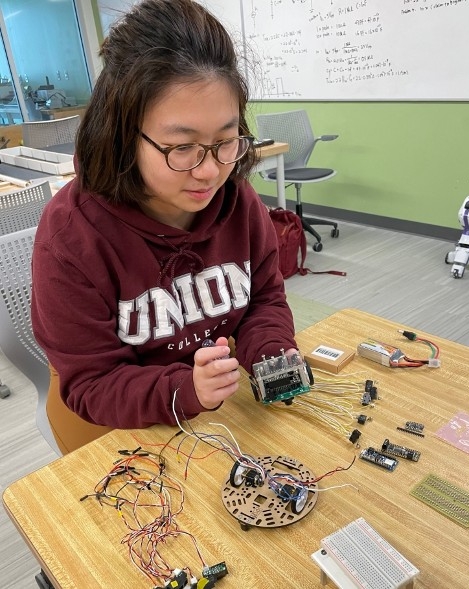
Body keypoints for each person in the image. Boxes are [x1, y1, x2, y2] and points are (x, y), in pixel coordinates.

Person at [31, 0, 299, 454]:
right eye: (181, 147)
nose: (210, 172)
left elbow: (265, 298)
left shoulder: (239, 201)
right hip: (114, 427)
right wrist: (185, 389)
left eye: (225, 141)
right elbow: (92, 383)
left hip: (209, 411)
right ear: (121, 134)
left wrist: (270, 348)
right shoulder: (72, 237)